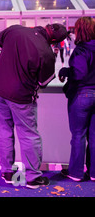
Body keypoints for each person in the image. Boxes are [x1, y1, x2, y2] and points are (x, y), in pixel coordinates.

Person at [0, 23, 68, 189]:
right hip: (21, 96)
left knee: (3, 131)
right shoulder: (46, 53)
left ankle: (8, 172)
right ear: (54, 41)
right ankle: (32, 177)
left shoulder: (15, 29)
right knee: (28, 134)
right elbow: (43, 82)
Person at [58, 17, 95, 182]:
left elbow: (79, 73)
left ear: (81, 31)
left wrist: (66, 71)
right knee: (94, 135)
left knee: (78, 135)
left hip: (83, 95)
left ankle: (76, 172)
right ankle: (93, 172)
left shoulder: (81, 50)